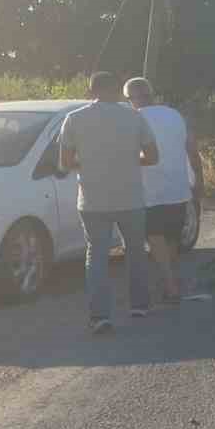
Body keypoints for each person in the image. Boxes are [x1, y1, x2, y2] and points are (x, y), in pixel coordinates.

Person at [59, 71, 159, 334]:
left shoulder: (74, 119)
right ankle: (139, 305)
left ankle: (100, 316)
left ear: (91, 91)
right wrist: (127, 160)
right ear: (117, 91)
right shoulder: (134, 117)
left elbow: (66, 162)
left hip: (93, 200)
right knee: (135, 252)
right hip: (130, 197)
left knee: (97, 256)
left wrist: (89, 164)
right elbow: (152, 157)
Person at [123, 76, 203, 304]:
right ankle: (170, 280)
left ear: (130, 99)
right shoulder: (175, 115)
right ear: (151, 94)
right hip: (179, 188)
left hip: (150, 191)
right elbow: (193, 151)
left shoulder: (133, 119)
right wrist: (199, 182)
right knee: (171, 238)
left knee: (155, 236)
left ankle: (170, 285)